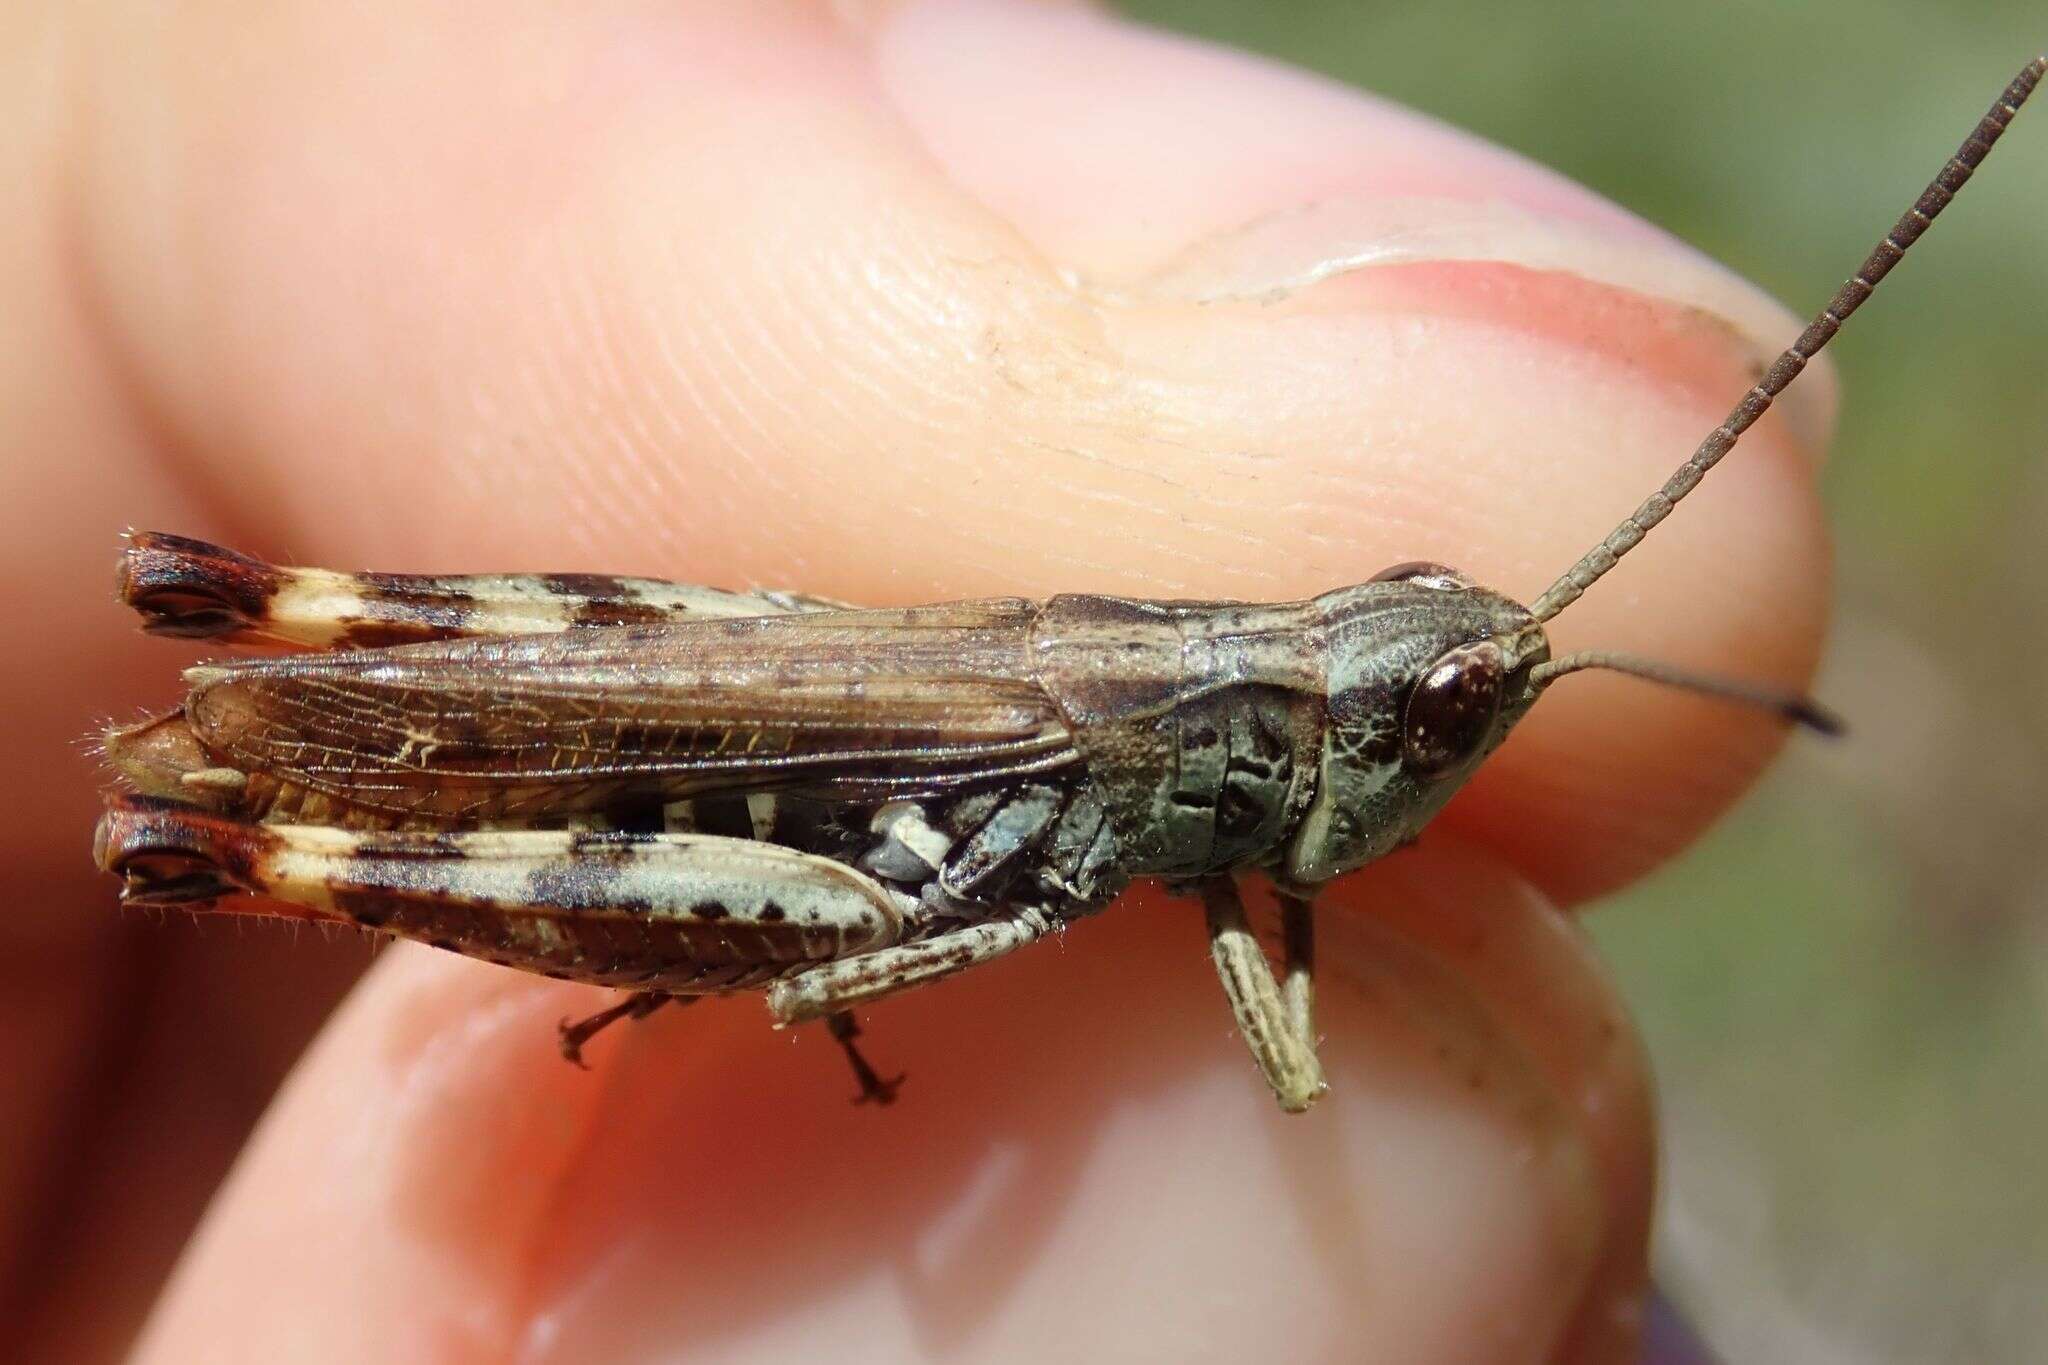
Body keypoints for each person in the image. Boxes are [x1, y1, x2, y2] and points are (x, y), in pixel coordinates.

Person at [2, 2, 1828, 1360]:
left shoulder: (1219, 756)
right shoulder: (1171, 774)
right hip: (748, 783)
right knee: (832, 935)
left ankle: (254, 817)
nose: (1438, 746)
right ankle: (250, 788)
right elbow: (848, 975)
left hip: (882, 781)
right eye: (1426, 709)